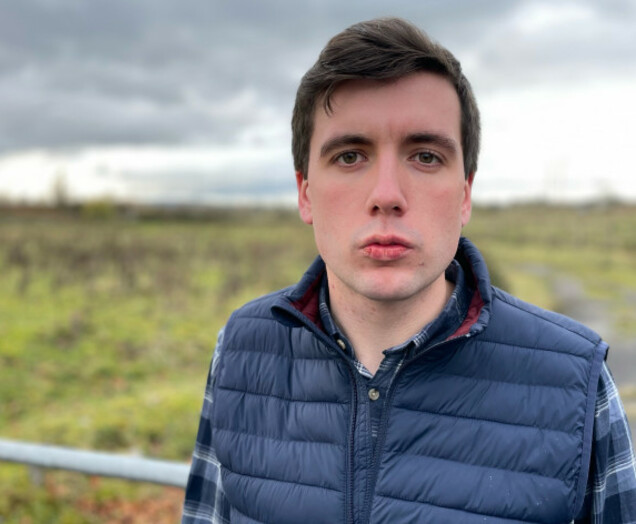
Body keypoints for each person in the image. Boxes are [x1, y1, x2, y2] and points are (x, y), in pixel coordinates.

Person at [182, 17, 636, 523]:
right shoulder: (242, 349)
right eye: (350, 156)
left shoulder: (576, 380)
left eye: (424, 156)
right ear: (305, 192)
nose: (387, 196)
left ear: (464, 194)